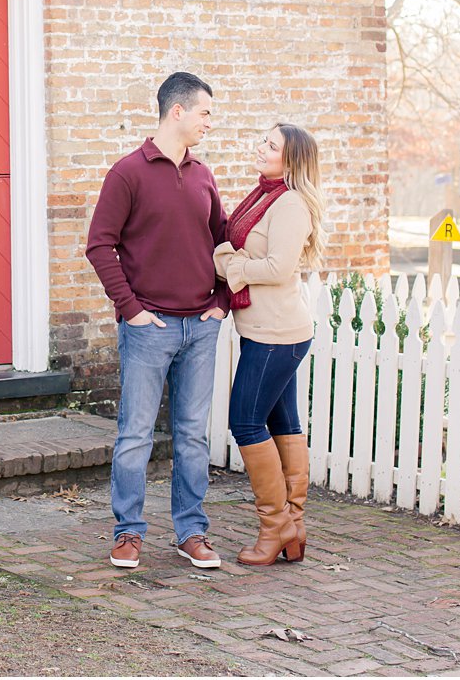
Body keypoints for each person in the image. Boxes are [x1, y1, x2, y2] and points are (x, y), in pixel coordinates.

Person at [86, 72, 231, 571]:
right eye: (205, 112)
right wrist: (132, 310)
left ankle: (191, 532)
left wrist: (222, 300)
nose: (209, 122)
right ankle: (128, 532)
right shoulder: (127, 173)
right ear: (178, 112)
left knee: (193, 435)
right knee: (135, 435)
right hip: (149, 328)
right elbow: (99, 245)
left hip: (200, 327)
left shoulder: (203, 175)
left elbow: (224, 243)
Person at [213, 123, 325, 567]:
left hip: (277, 334)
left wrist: (230, 264)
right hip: (270, 329)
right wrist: (233, 258)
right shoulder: (266, 195)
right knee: (284, 422)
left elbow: (279, 268)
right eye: (263, 140)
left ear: (291, 159)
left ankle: (274, 526)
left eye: (271, 145)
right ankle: (293, 525)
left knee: (245, 423)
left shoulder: (291, 203)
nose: (261, 148)